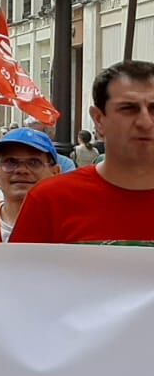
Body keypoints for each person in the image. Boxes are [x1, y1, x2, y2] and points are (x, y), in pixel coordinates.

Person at [13, 61, 154, 244]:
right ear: (98, 119)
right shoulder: (50, 200)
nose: (145, 122)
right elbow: (20, 272)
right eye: (128, 109)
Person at [0, 128, 60, 243]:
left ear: (55, 172)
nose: (21, 170)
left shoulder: (72, 229)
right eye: (10, 162)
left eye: (34, 162)